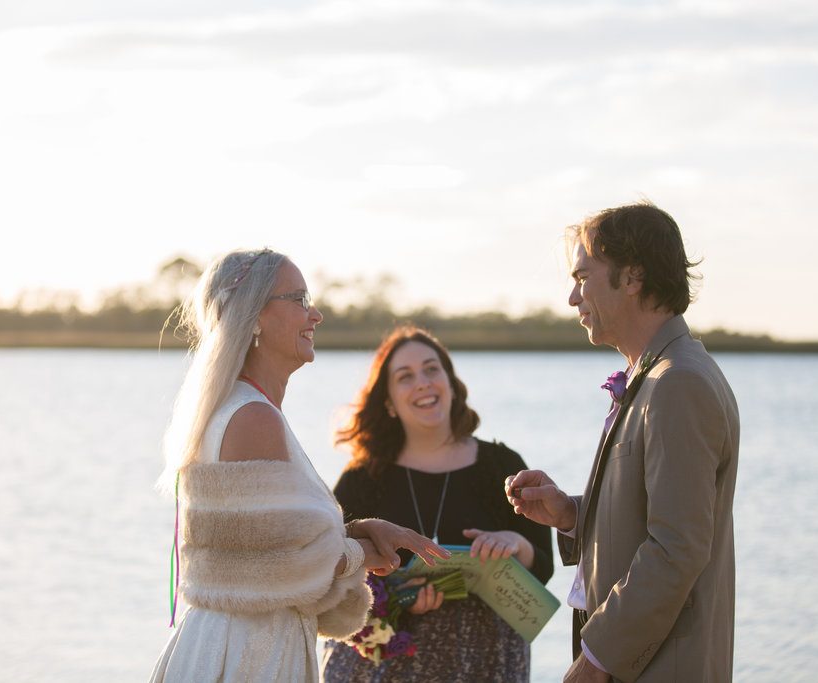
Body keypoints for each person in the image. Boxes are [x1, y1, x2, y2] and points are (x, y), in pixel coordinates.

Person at [148, 249, 449, 682]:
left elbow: (258, 549)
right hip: (247, 655)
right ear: (254, 317)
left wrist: (359, 531)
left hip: (247, 642)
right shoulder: (253, 417)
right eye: (300, 299)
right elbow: (285, 569)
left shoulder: (245, 409)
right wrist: (365, 553)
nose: (317, 315)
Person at [507, 203, 740, 683]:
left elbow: (677, 548)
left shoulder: (679, 384)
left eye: (583, 276)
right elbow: (654, 516)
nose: (573, 297)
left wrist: (595, 662)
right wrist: (572, 514)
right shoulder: (654, 375)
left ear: (632, 276)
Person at [322, 326, 554, 682]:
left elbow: (544, 568)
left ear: (450, 381)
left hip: (487, 663)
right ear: (388, 400)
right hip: (385, 670)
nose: (423, 383)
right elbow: (332, 575)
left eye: (432, 369)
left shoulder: (502, 465)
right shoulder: (362, 480)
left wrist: (516, 544)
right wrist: (399, 598)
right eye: (405, 376)